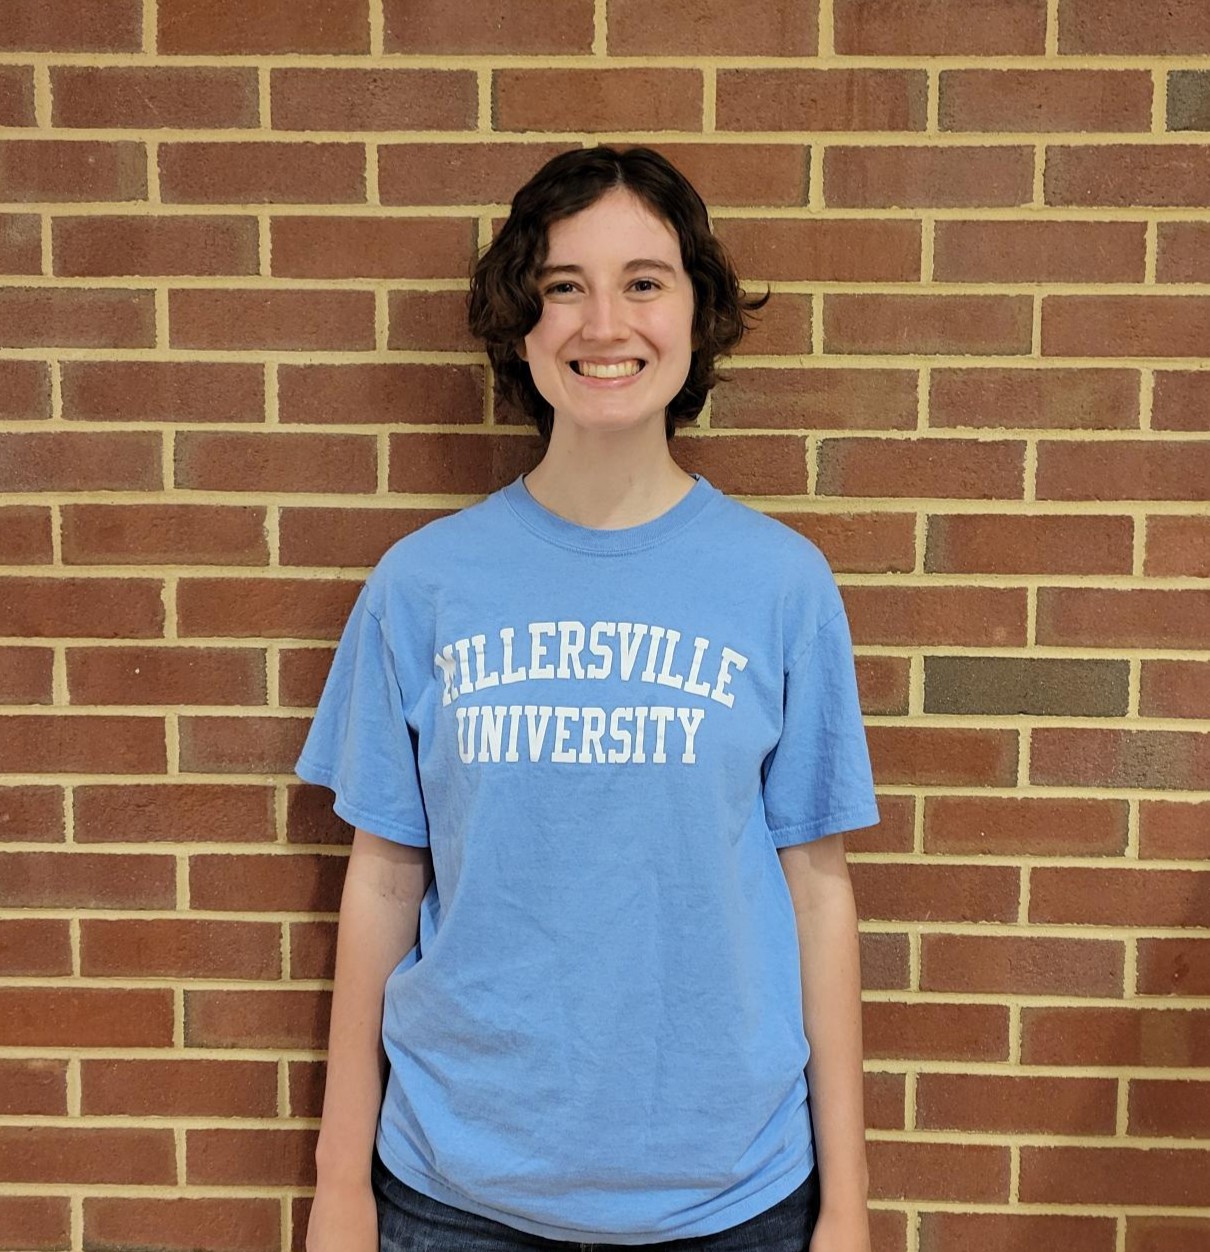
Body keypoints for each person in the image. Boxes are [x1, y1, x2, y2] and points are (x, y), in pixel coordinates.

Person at [297, 144, 879, 1252]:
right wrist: (339, 1186)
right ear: (521, 324)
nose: (603, 323)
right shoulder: (422, 585)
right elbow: (379, 880)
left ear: (696, 313)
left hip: (731, 1200)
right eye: (563, 285)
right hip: (454, 1195)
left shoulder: (779, 582)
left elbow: (817, 891)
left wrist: (846, 1204)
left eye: (643, 282)